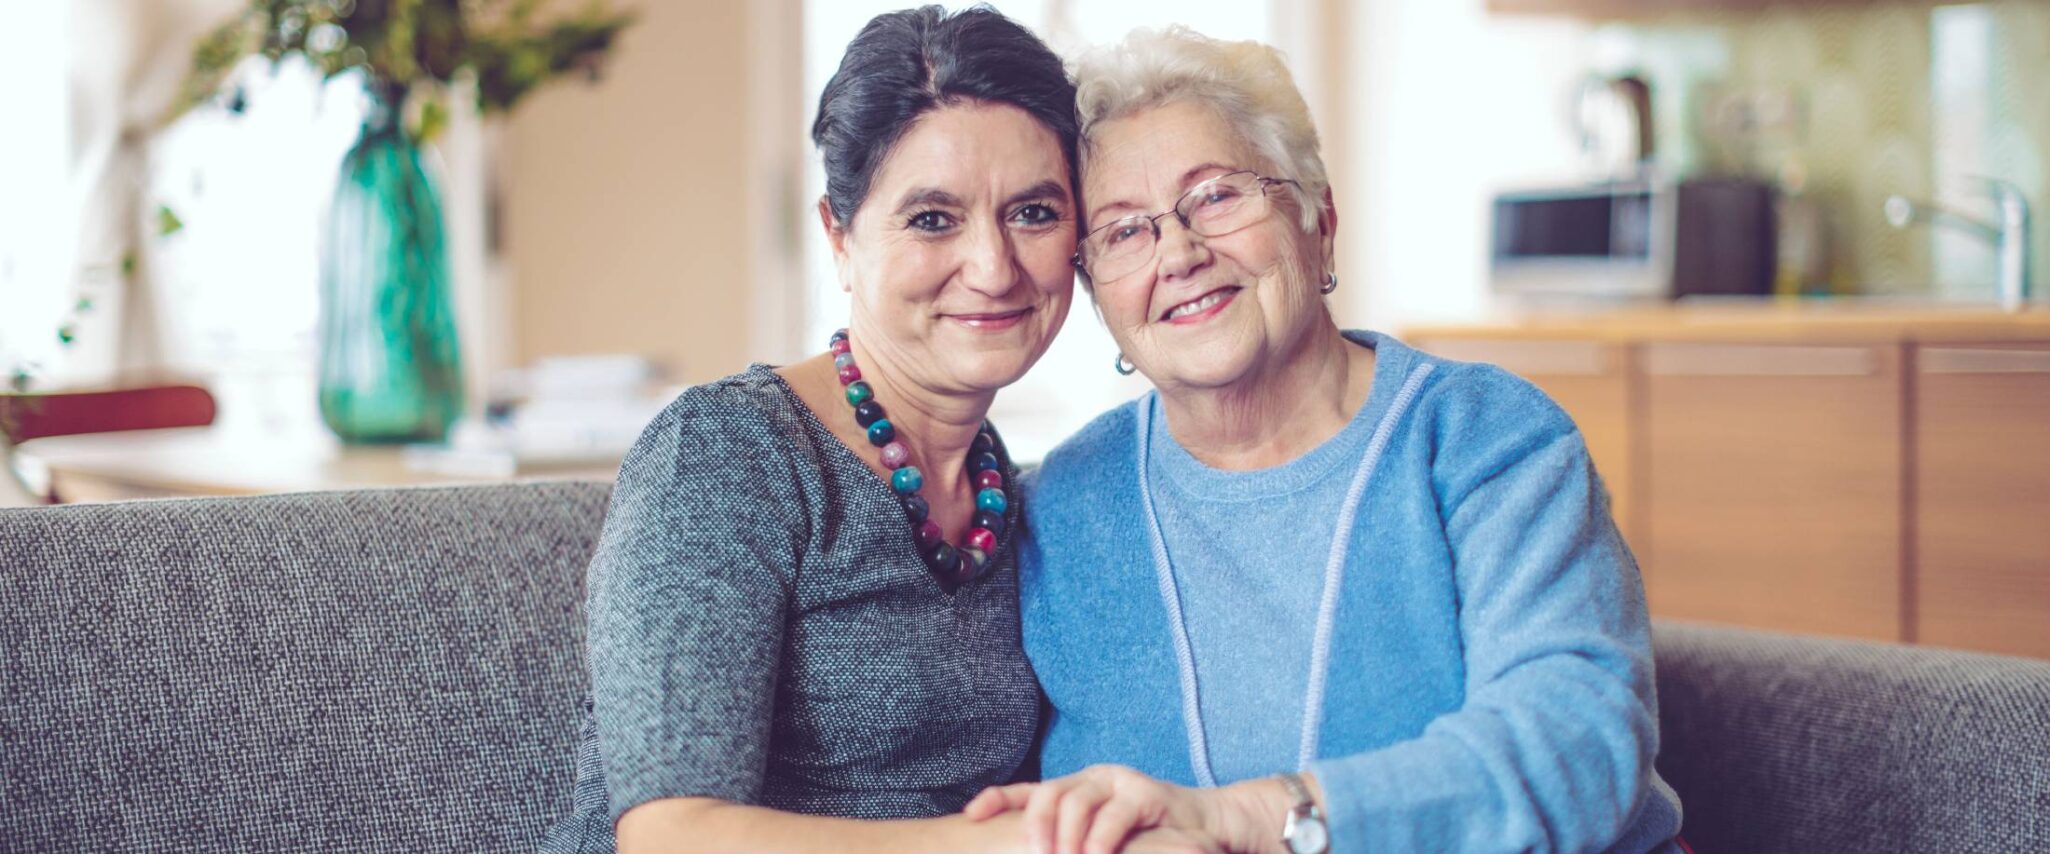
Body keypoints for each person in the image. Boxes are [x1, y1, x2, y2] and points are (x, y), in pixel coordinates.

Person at [966, 26, 1686, 854]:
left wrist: (1247, 818)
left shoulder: (1489, 442)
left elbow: (1578, 748)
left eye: (1217, 196)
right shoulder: (1059, 506)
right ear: (1098, 294)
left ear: (1317, 219)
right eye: (1125, 231)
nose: (1180, 252)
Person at [537, 8, 1207, 853]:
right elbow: (670, 833)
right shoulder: (727, 453)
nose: (994, 268)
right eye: (932, 218)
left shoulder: (1021, 492)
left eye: (1033, 213)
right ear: (839, 237)